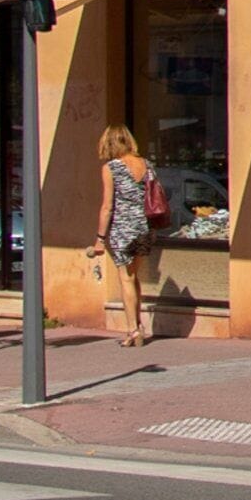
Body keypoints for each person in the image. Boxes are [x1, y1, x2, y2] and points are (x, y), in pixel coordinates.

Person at [93, 126, 160, 349]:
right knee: (134, 276)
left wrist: (100, 238)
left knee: (126, 278)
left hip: (123, 228)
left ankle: (133, 330)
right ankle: (138, 326)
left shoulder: (112, 168)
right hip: (145, 228)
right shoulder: (147, 165)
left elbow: (107, 206)